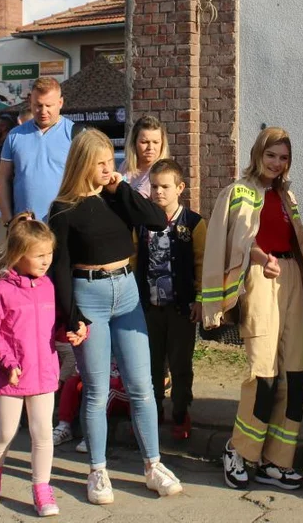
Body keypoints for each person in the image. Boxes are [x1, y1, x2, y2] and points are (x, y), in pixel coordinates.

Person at [47, 128, 184, 504]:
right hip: (87, 294)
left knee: (142, 387)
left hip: (126, 292)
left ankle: (152, 465)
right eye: (101, 164)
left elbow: (157, 219)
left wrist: (119, 186)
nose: (109, 169)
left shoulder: (117, 196)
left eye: (111, 161)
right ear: (83, 164)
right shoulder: (63, 209)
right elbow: (57, 268)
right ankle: (97, 471)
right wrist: (70, 315)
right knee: (96, 390)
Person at [203, 127, 303, 492]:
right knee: (263, 374)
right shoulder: (238, 191)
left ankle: (277, 462)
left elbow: (298, 251)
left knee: (296, 376)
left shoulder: (286, 196)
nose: (277, 163)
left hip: (290, 277)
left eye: (284, 157)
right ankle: (239, 451)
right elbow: (238, 242)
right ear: (258, 153)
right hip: (259, 279)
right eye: (271, 155)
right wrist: (261, 258)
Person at [0, 219, 67, 516]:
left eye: (49, 254)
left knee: (43, 432)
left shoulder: (48, 287)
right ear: (18, 254)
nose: (46, 261)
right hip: (10, 375)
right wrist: (6, 363)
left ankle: (42, 488)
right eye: (38, 255)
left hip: (43, 372)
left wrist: (70, 333)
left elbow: (51, 328)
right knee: (5, 431)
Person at [133, 158, 206, 440]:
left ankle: (180, 411)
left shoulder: (194, 224)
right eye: (154, 186)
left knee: (180, 363)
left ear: (180, 188)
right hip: (149, 308)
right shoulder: (141, 224)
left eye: (165, 186)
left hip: (182, 309)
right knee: (151, 363)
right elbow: (133, 259)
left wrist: (200, 299)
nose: (159, 192)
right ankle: (152, 413)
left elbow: (202, 263)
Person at [0, 77, 75, 224]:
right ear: (30, 102)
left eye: (48, 105)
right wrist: (8, 221)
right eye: (38, 105)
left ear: (60, 103)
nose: (43, 111)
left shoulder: (75, 134)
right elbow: (2, 180)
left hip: (64, 224)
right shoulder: (15, 135)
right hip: (25, 226)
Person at [53, 360, 131, 452]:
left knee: (107, 390)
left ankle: (93, 436)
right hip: (96, 380)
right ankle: (64, 427)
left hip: (120, 389)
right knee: (72, 382)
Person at [121, 115, 170, 197]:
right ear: (134, 142)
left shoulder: (164, 172)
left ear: (162, 143)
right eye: (144, 142)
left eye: (156, 142)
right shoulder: (125, 166)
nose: (150, 148)